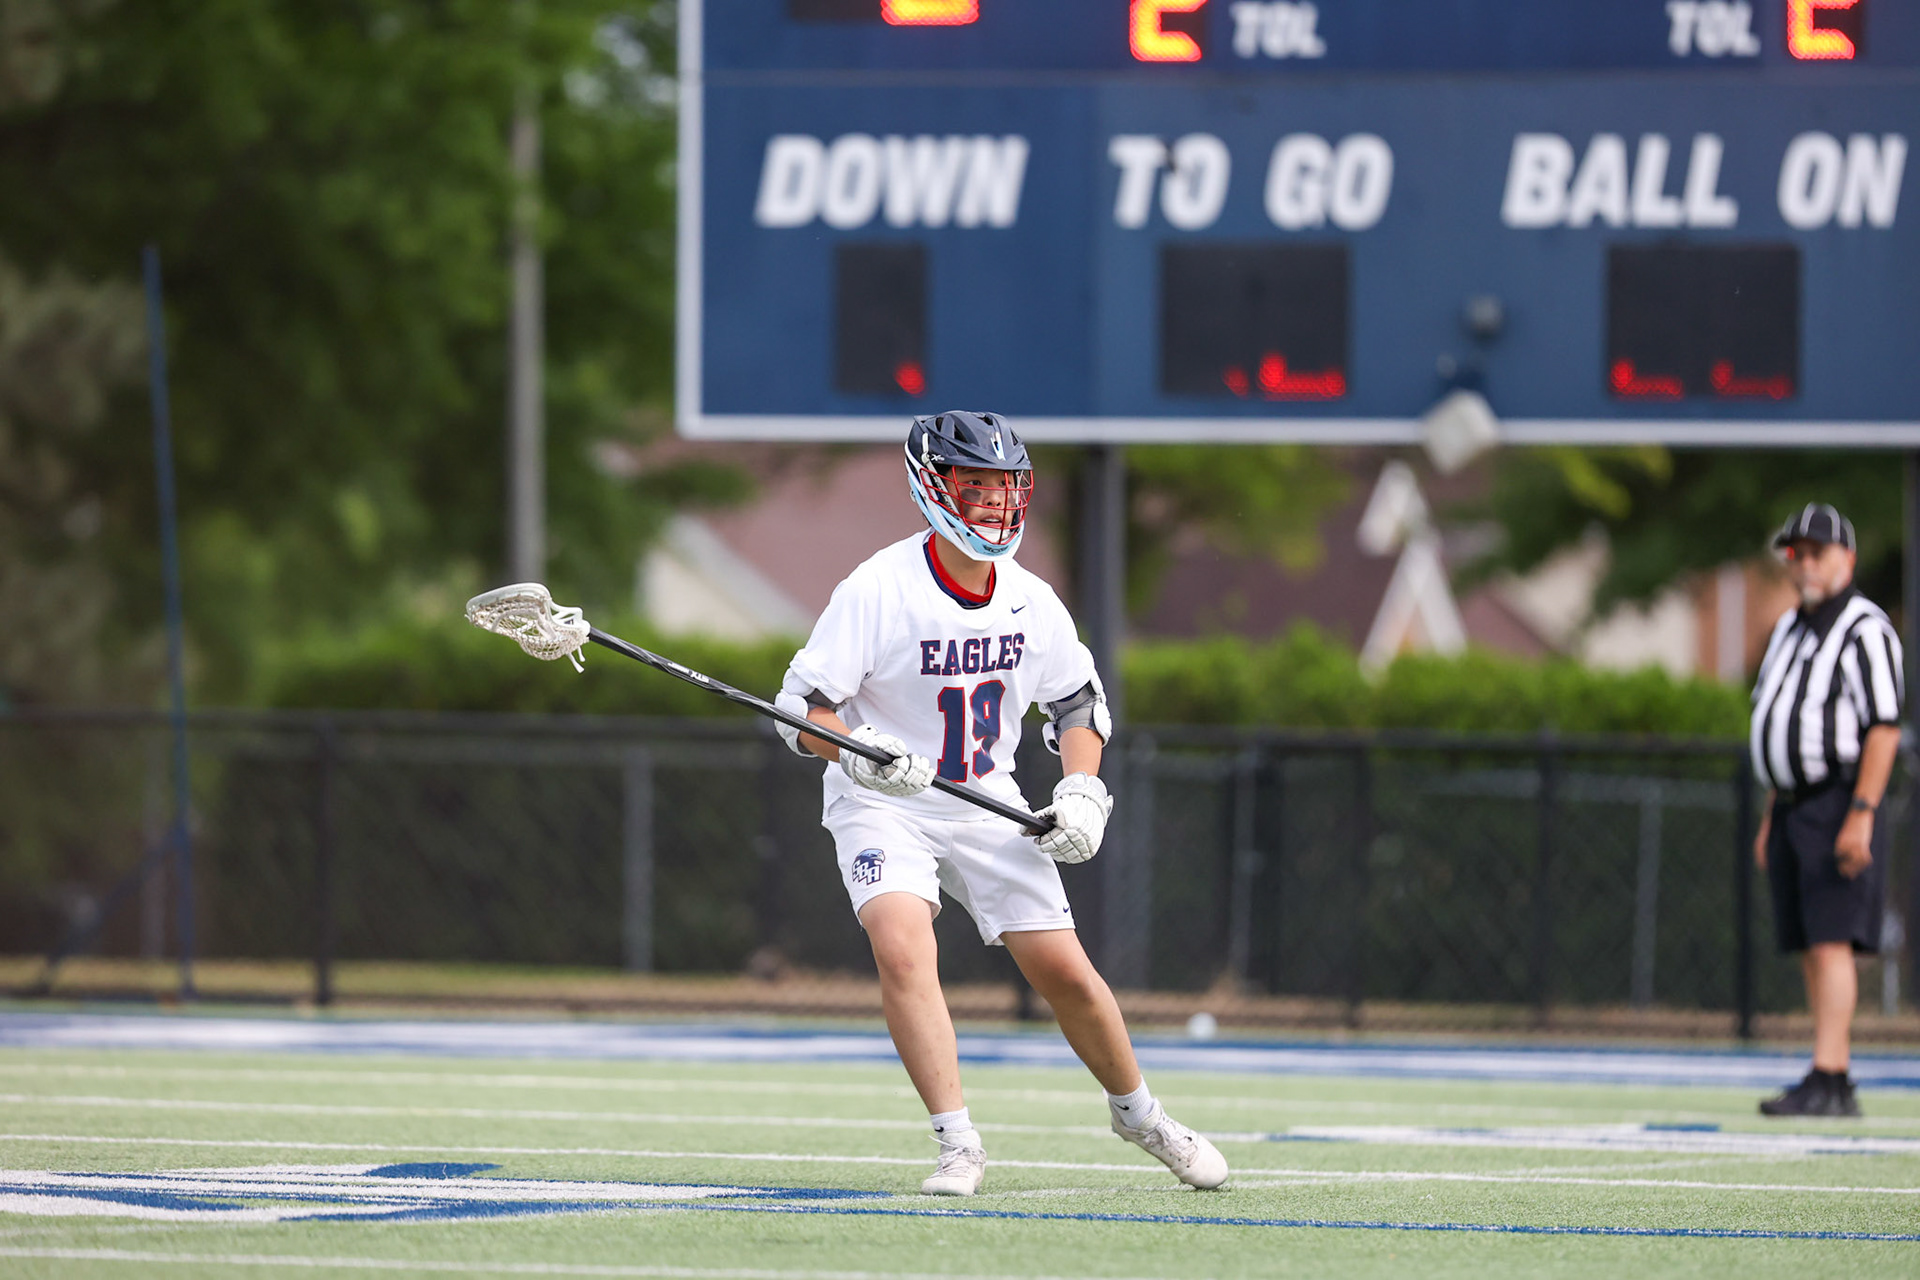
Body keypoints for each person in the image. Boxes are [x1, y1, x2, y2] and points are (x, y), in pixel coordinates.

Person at [773, 410, 1229, 1196]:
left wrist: (1082, 788)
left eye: (1002, 486)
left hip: (987, 799)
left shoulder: (1030, 599)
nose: (990, 501)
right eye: (972, 484)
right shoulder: (880, 588)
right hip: (884, 800)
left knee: (1069, 976)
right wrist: (862, 754)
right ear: (932, 486)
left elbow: (1079, 704)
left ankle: (1140, 1115)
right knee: (903, 944)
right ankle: (958, 1143)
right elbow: (801, 713)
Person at [1750, 503, 1904, 1118]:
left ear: (1847, 558)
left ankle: (1833, 1074)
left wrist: (1861, 811)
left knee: (1833, 939)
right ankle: (1823, 1069)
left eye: (1817, 552)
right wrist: (1770, 816)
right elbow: (1779, 725)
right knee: (1812, 941)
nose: (1806, 563)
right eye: (1797, 553)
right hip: (1792, 804)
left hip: (1837, 799)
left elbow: (1884, 728)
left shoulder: (1866, 628)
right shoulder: (1790, 626)